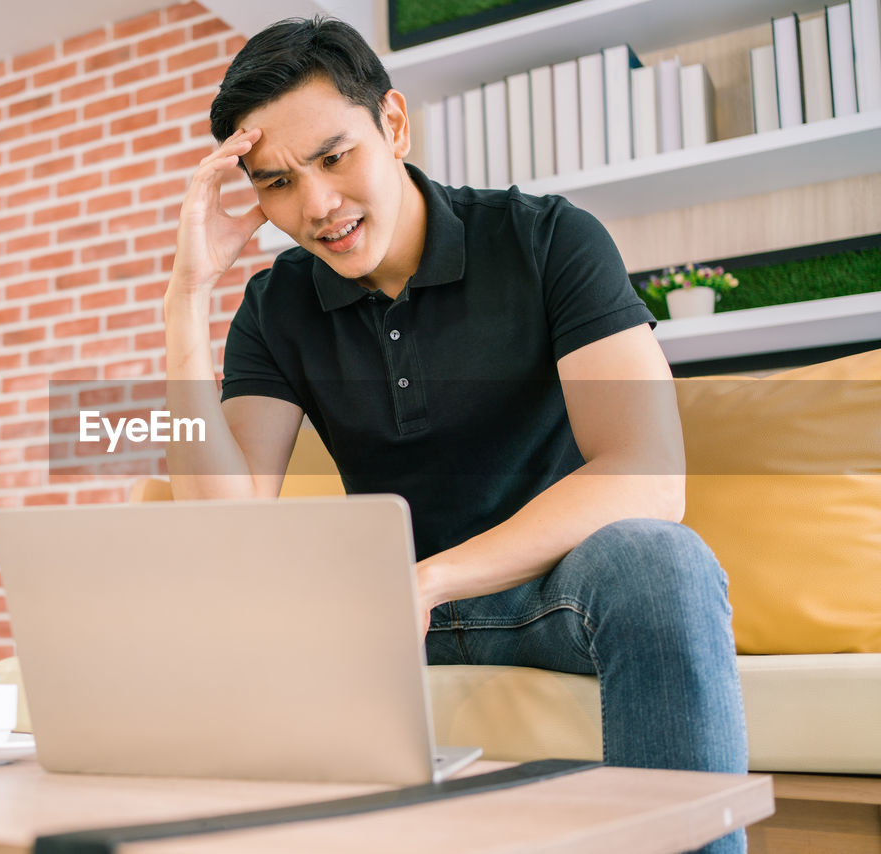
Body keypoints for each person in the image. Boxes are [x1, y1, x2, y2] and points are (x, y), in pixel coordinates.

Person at [162, 17, 747, 853]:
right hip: (379, 620)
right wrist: (187, 297)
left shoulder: (547, 240)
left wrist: (427, 582)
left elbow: (649, 474)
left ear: (393, 125)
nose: (317, 206)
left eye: (334, 158)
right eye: (277, 183)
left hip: (550, 594)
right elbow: (224, 522)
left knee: (663, 562)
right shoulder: (276, 306)